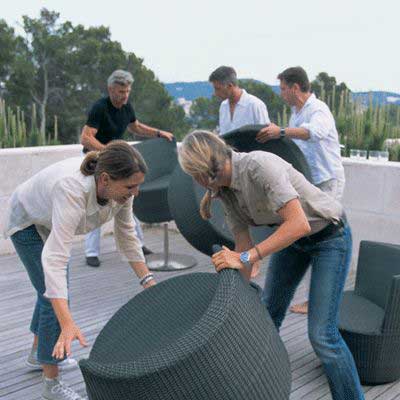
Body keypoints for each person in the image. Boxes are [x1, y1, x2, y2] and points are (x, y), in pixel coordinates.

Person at [178, 131, 365, 400]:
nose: (194, 181)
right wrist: (232, 299)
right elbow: (242, 247)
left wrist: (245, 258)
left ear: (203, 168)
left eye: (193, 173)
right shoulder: (225, 191)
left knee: (323, 336)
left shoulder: (259, 166)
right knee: (266, 319)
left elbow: (298, 224)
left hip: (329, 237)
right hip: (293, 241)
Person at [4, 141, 157, 400]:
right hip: (26, 222)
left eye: (138, 185)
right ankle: (51, 385)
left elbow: (127, 235)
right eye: (131, 186)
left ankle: (37, 353)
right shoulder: (72, 189)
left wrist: (148, 281)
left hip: (47, 217)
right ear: (106, 179)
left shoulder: (120, 193)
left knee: (51, 291)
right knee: (50, 293)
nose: (136, 192)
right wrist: (67, 323)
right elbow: (55, 259)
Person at [257, 66, 345, 314]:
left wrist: (281, 131)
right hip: (310, 183)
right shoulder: (297, 112)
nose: (281, 93)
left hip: (327, 182)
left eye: (283, 88)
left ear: (295, 87)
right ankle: (309, 297)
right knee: (307, 236)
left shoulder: (318, 110)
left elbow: (314, 134)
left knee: (322, 238)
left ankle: (315, 300)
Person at [81, 69, 174, 267]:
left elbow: (136, 127)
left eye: (127, 91)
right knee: (95, 206)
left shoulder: (126, 107)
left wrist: (159, 133)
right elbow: (86, 137)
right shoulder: (100, 107)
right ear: (111, 89)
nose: (124, 96)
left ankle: (138, 245)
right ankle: (91, 253)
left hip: (117, 162)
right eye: (120, 91)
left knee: (127, 202)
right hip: (97, 162)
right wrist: (110, 151)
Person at [209, 66, 270, 135]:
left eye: (218, 89)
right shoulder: (223, 106)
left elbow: (266, 135)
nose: (215, 93)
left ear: (230, 86)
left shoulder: (255, 105)